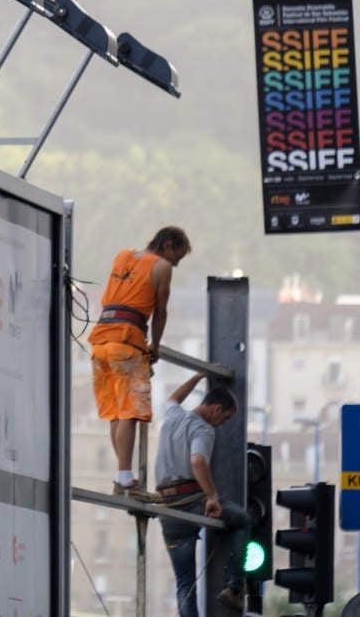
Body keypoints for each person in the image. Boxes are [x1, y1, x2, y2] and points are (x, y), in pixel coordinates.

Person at [89, 226, 190, 498]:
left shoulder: (122, 255)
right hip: (127, 342)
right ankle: (124, 479)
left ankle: (124, 476)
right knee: (130, 412)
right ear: (168, 245)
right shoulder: (161, 267)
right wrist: (154, 346)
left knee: (115, 413)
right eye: (176, 257)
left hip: (100, 342)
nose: (175, 264)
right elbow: (160, 313)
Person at [154, 372, 249, 617]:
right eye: (225, 417)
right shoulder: (204, 429)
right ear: (216, 409)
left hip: (167, 509)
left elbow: (174, 397)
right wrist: (212, 496)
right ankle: (234, 587)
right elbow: (197, 461)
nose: (223, 423)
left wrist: (197, 377)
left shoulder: (174, 416)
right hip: (191, 502)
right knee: (242, 520)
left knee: (185, 582)